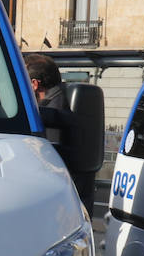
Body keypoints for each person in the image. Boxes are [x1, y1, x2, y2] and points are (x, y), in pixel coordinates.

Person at [24, 53, 94, 209]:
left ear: (34, 84)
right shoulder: (60, 102)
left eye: (22, 82)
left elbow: (49, 162)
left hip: (58, 205)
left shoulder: (51, 112)